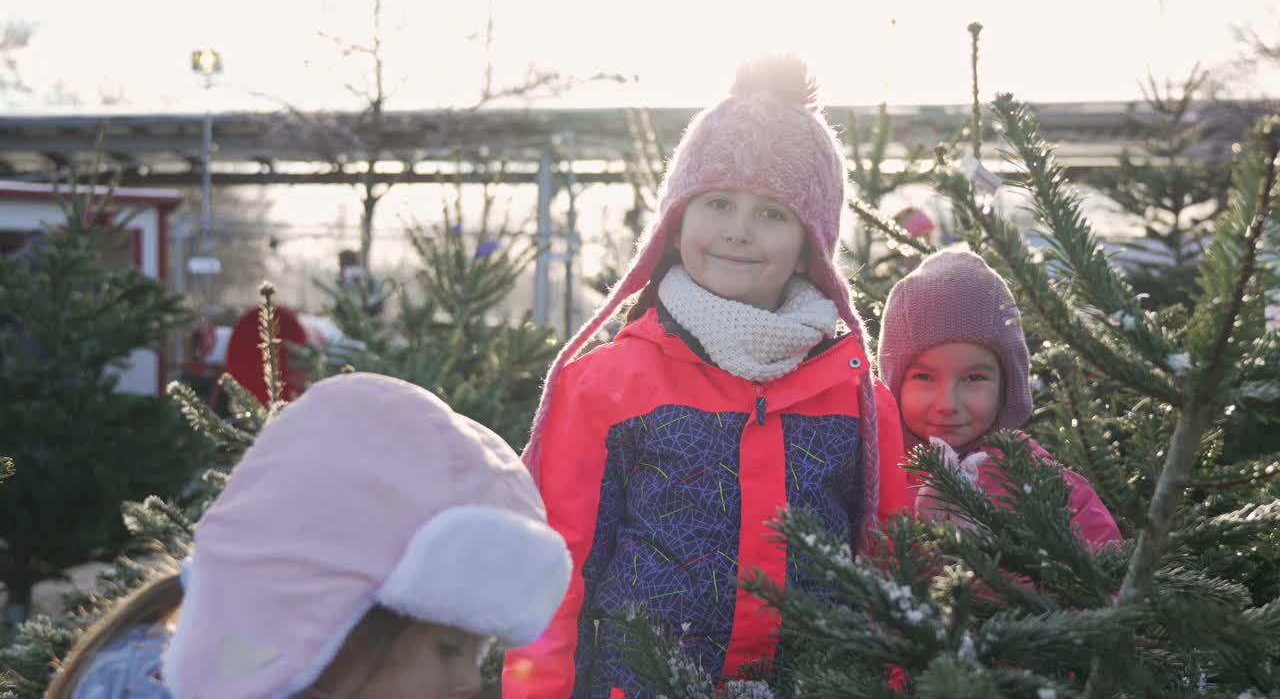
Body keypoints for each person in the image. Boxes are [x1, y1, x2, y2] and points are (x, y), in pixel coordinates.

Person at [502, 55, 909, 698]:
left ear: (812, 243)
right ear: (676, 222)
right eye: (717, 203)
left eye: (773, 213)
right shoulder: (605, 386)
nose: (739, 232)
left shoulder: (857, 398)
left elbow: (894, 573)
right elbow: (553, 574)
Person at [49, 372, 572, 699]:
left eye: (476, 653)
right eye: (447, 649)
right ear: (335, 622)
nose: (469, 683)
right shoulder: (137, 685)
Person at [877, 248, 1121, 547]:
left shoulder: (1049, 488)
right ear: (894, 382)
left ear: (1007, 386)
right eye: (924, 377)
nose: (947, 404)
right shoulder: (872, 482)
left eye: (974, 378)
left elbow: (1110, 581)